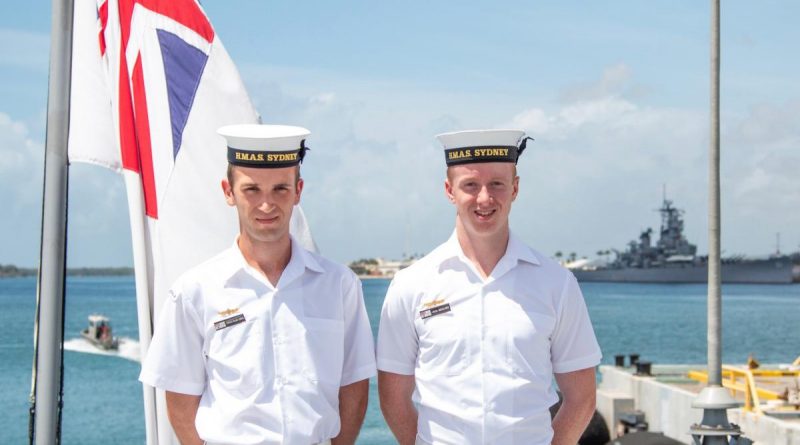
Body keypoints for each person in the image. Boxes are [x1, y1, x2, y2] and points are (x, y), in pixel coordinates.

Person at [139, 124, 376, 445]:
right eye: (252, 190)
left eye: (280, 188)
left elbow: (353, 384)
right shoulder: (194, 290)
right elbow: (180, 397)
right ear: (228, 192)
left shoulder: (339, 285)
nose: (267, 205)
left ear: (298, 191)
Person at [376, 129, 602, 445]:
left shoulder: (556, 284)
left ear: (515, 188)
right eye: (470, 185)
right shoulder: (412, 284)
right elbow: (393, 398)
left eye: (497, 183)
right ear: (449, 190)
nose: (484, 198)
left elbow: (582, 397)